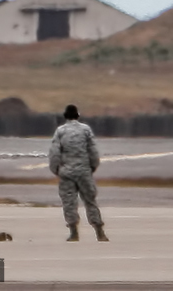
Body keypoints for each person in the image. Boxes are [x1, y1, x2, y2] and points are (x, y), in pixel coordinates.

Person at [48, 104, 108, 242]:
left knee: (69, 202)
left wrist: (55, 169)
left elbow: (54, 153)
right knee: (90, 201)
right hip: (84, 171)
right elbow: (93, 150)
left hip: (66, 172)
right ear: (78, 116)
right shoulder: (86, 130)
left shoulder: (60, 131)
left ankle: (74, 232)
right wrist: (93, 166)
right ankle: (99, 231)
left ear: (65, 116)